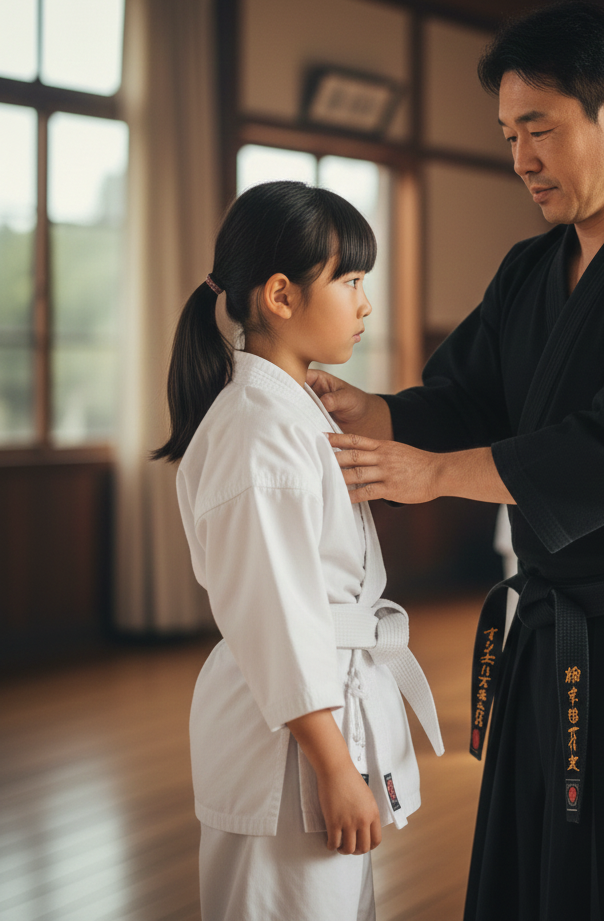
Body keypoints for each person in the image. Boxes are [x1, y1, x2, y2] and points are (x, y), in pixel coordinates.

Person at [310, 2, 604, 920]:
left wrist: (434, 474)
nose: (521, 158)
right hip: (553, 623)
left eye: (541, 129)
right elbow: (462, 400)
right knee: (545, 871)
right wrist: (375, 414)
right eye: (508, 134)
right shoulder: (531, 270)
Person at [154, 181, 443, 921]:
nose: (365, 303)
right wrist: (332, 763)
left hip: (311, 717)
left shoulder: (290, 410)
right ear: (280, 296)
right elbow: (276, 616)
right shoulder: (257, 430)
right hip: (287, 739)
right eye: (349, 281)